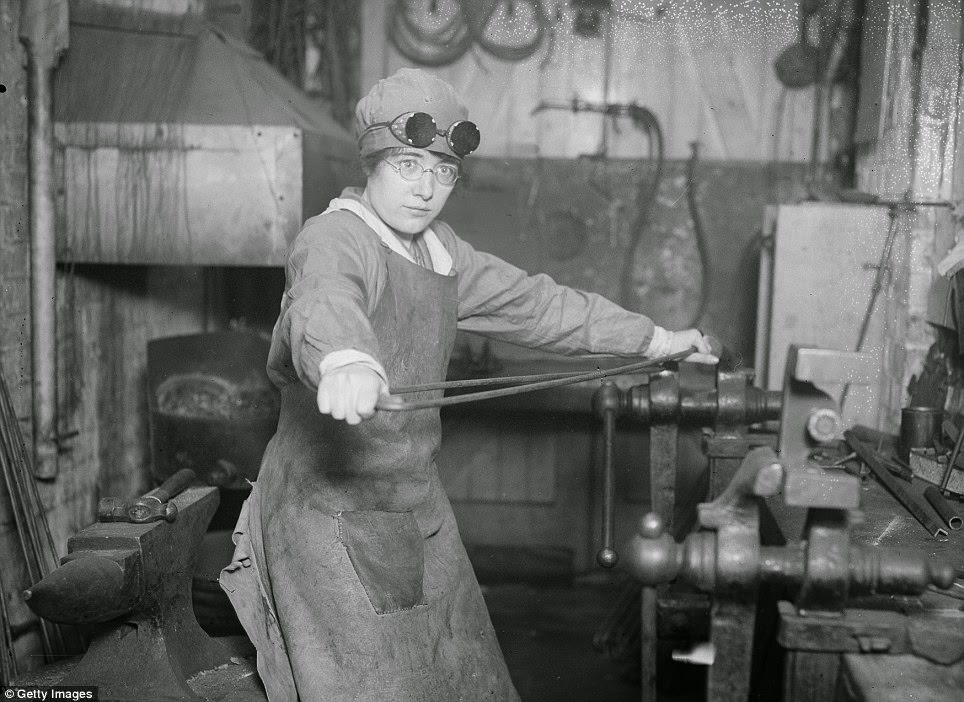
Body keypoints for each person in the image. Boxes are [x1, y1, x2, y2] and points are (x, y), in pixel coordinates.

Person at [220, 67, 716, 702]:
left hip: (415, 502)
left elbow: (540, 306)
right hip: (330, 512)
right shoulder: (338, 237)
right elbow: (324, 299)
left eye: (443, 172)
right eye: (407, 165)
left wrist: (655, 340)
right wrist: (344, 359)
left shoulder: (441, 253)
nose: (426, 189)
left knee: (465, 678)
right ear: (372, 161)